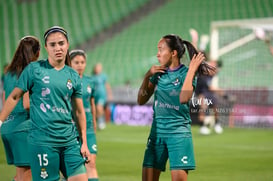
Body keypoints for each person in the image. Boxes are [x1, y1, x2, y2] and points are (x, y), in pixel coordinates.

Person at [0, 26, 90, 181]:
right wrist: (0, 120)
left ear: (67, 45)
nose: (58, 48)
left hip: (70, 142)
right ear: (46, 48)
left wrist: (84, 143)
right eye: (53, 45)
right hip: (43, 142)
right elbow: (14, 97)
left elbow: (79, 111)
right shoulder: (34, 69)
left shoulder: (73, 75)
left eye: (61, 43)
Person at [137, 34, 215, 181]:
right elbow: (141, 99)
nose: (157, 53)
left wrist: (192, 70)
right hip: (157, 133)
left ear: (173, 53)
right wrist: (147, 76)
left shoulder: (187, 73)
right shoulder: (158, 73)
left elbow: (183, 98)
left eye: (161, 49)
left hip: (178, 134)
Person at [0, 36, 40, 181]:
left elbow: (5, 100)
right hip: (23, 128)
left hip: (7, 127)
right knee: (29, 175)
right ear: (37, 52)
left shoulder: (8, 73)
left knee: (19, 175)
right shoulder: (29, 71)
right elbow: (27, 104)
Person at [69, 49, 99, 181]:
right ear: (70, 63)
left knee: (91, 163)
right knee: (71, 167)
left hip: (88, 128)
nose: (80, 65)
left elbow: (92, 103)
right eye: (76, 62)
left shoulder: (90, 81)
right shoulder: (66, 81)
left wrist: (94, 122)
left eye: (82, 62)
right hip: (70, 129)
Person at [92, 63, 112, 130]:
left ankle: (101, 122)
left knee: (99, 107)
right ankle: (99, 121)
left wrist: (109, 94)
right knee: (96, 109)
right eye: (97, 67)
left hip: (102, 95)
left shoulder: (103, 76)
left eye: (99, 67)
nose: (98, 69)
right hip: (95, 96)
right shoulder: (92, 77)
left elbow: (107, 85)